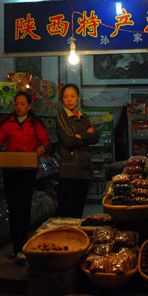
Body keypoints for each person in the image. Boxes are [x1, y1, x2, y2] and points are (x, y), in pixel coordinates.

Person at [0, 90, 51, 264]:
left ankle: (22, 246)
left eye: (22, 104)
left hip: (28, 171)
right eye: (16, 104)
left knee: (24, 207)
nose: (19, 107)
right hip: (10, 171)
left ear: (30, 106)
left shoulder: (35, 124)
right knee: (13, 207)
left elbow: (46, 142)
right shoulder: (7, 123)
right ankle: (17, 247)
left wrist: (41, 149)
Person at [56, 83, 99, 219]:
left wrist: (81, 136)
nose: (69, 99)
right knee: (66, 212)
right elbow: (69, 141)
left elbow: (95, 137)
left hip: (84, 170)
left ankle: (77, 238)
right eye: (66, 97)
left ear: (78, 98)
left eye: (72, 96)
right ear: (62, 99)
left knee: (78, 211)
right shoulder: (61, 116)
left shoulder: (84, 117)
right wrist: (86, 136)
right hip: (69, 171)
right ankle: (65, 239)